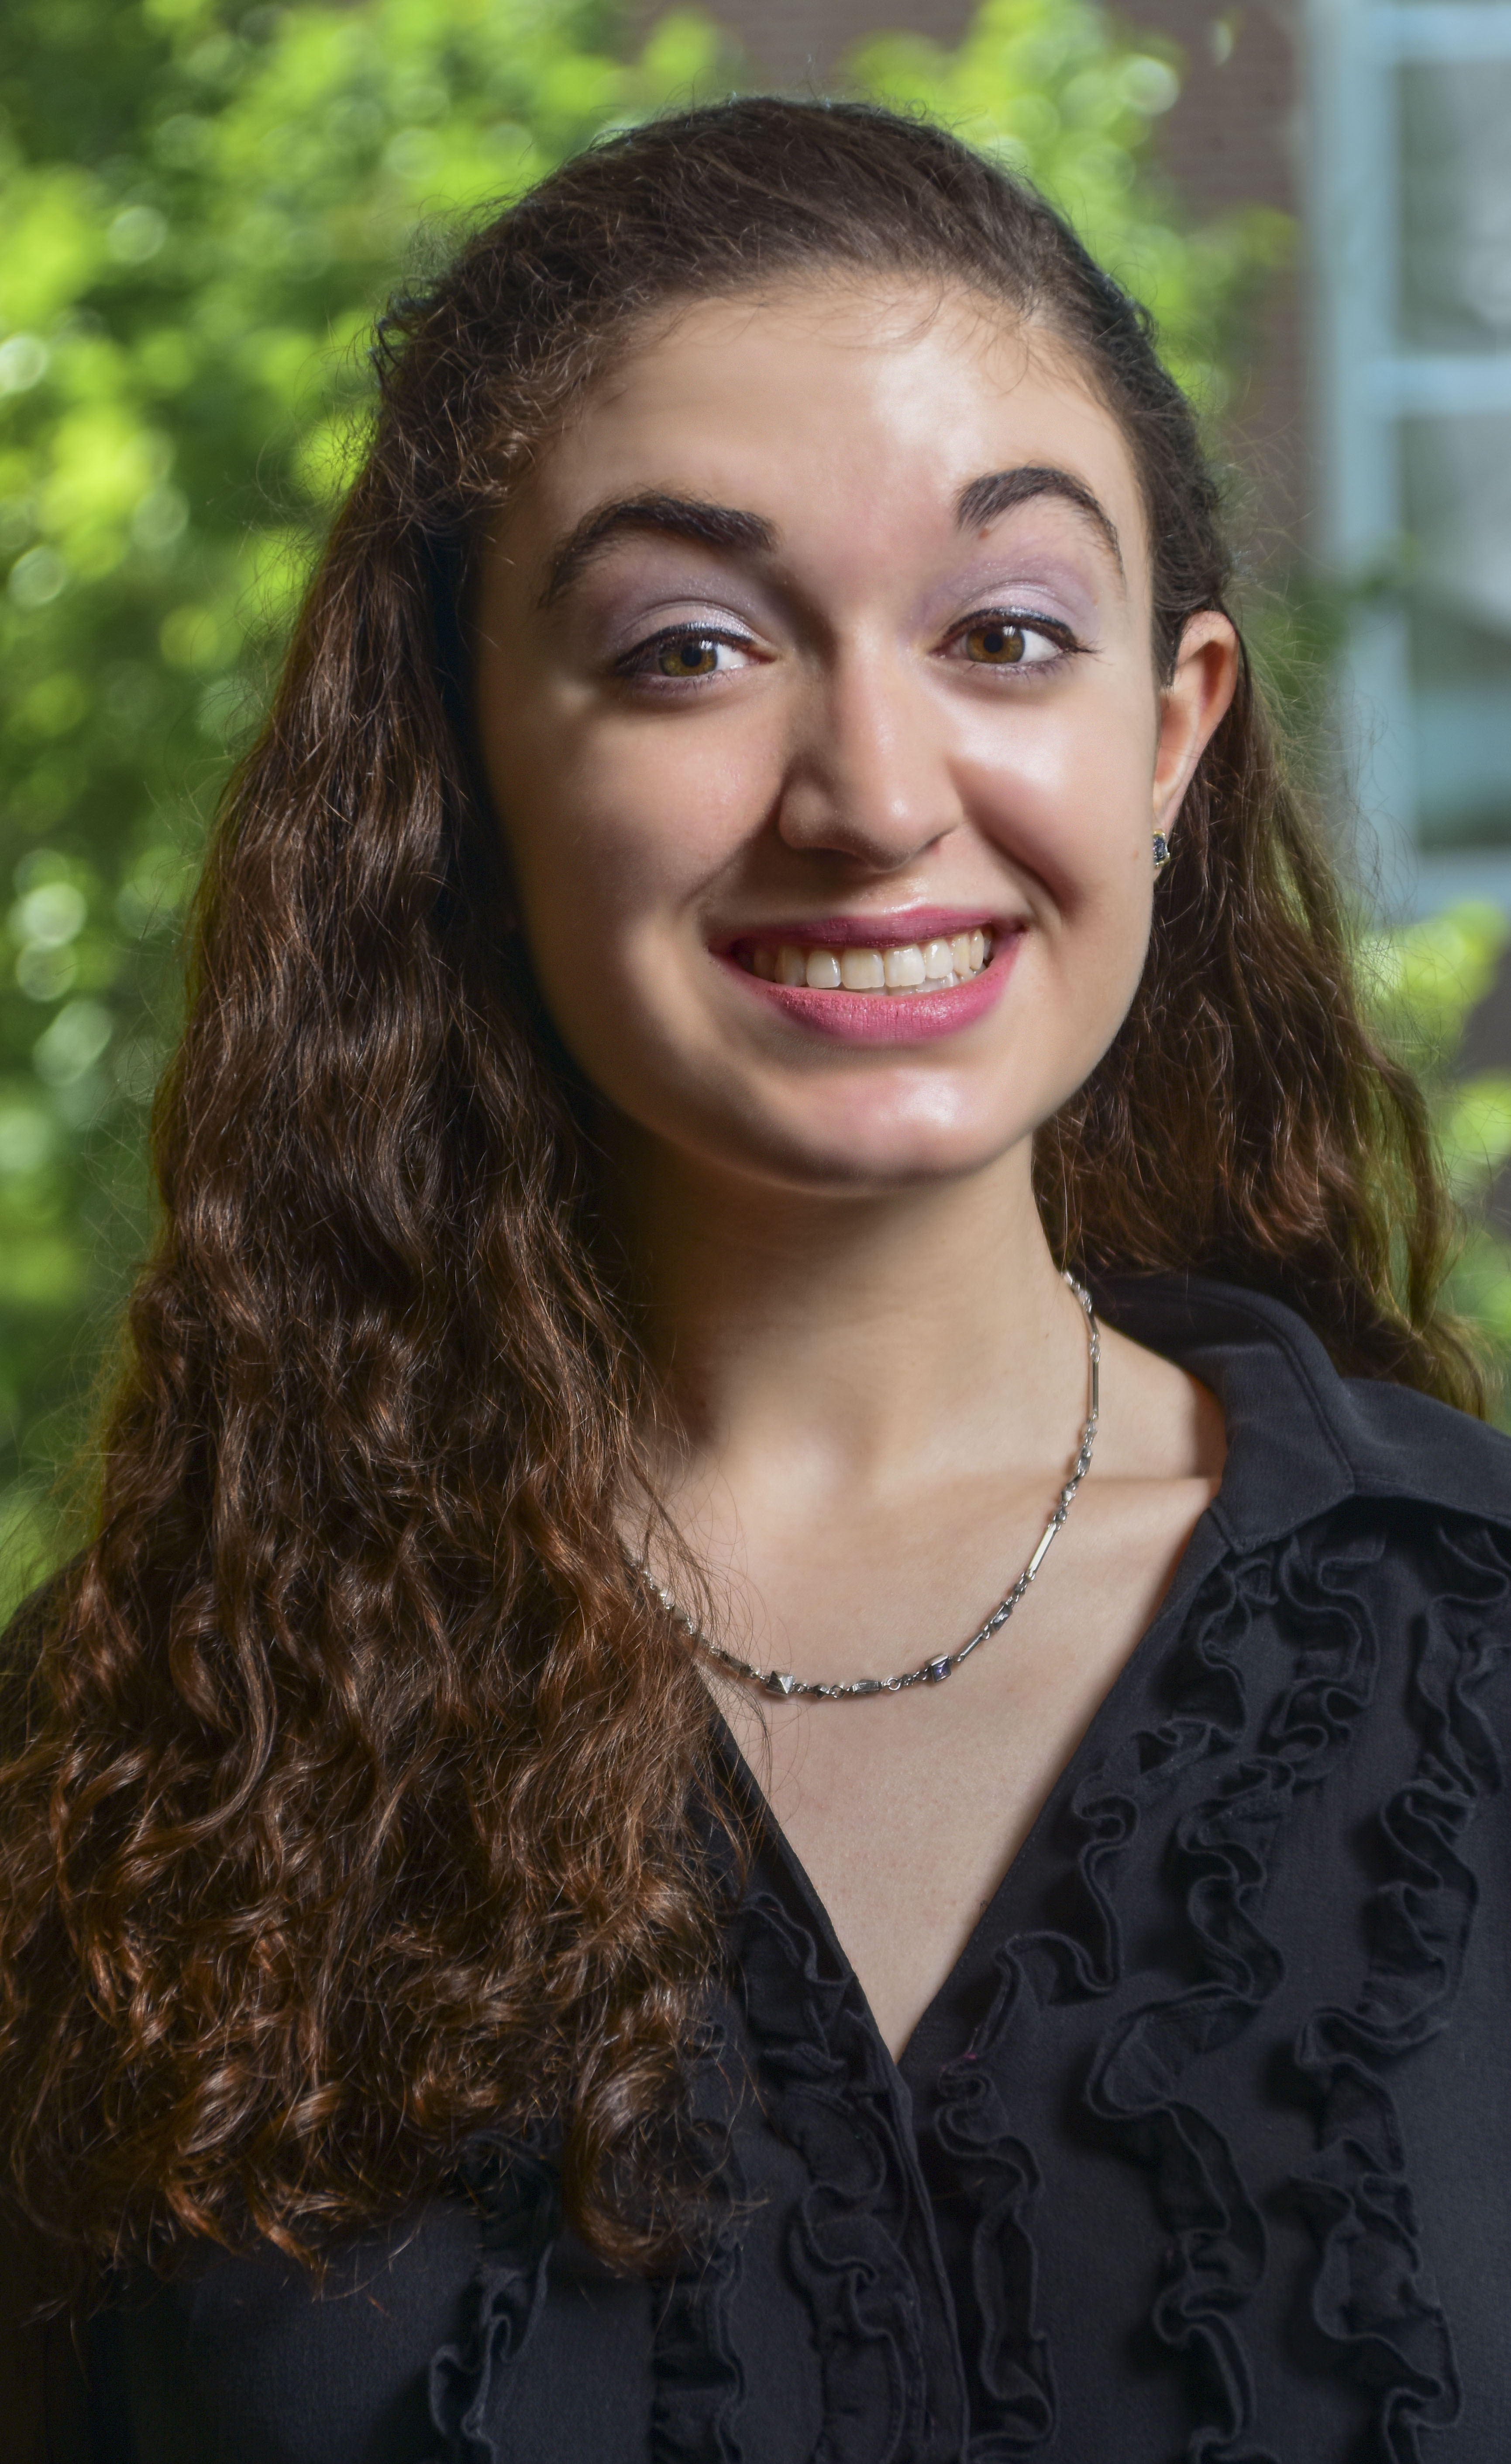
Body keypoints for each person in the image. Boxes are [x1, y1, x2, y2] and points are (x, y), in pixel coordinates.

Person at [2, 95, 1508, 2464]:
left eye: (1007, 632)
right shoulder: (109, 1783)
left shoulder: (1481, 1647)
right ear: (463, 766)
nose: (876, 792)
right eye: (687, 648)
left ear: (1170, 733)